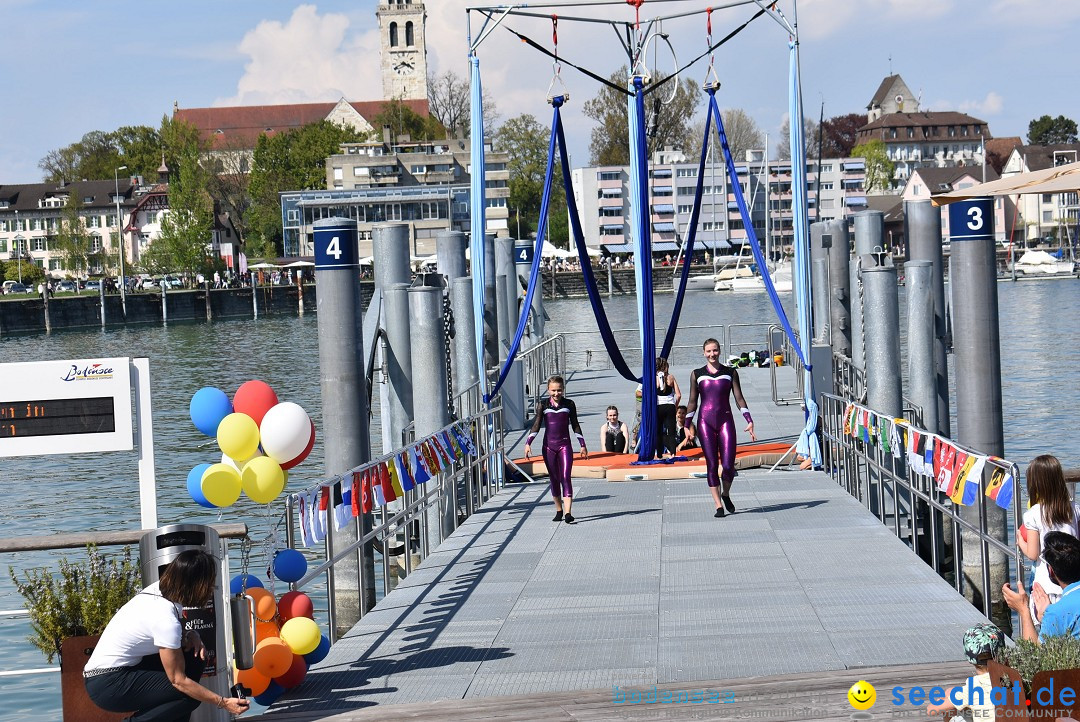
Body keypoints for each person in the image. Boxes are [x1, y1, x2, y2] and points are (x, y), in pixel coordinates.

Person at [84, 550, 250, 720]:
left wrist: (192, 634)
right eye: (208, 585)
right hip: (108, 685)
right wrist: (222, 702)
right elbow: (178, 680)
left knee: (193, 659)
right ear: (194, 585)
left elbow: (165, 632)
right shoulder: (165, 618)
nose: (211, 590)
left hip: (119, 673)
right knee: (189, 695)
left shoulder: (159, 591)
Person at [684, 338, 756, 517]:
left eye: (715, 350)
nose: (712, 354)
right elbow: (692, 402)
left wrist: (748, 418)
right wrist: (686, 425)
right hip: (705, 423)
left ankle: (725, 493)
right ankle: (718, 505)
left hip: (725, 421)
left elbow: (739, 398)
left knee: (728, 465)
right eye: (708, 351)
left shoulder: (730, 372)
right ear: (703, 353)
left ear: (719, 351)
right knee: (712, 465)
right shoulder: (697, 374)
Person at [1018, 454, 1080, 621]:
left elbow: (1032, 553)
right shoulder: (1074, 509)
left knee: (1046, 626)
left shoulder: (1034, 514)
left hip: (1046, 582)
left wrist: (1020, 541)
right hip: (1072, 581)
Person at [524, 375, 588, 524]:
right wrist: (528, 442)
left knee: (565, 477)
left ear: (563, 390)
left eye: (559, 390)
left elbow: (575, 425)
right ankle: (559, 510)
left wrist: (582, 444)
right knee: (554, 479)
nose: (556, 393)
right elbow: (536, 425)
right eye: (553, 390)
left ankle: (568, 513)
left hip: (565, 445)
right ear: (548, 390)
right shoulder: (543, 405)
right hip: (548, 447)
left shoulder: (569, 404)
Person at [1003, 531, 1080, 643]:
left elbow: (1035, 657)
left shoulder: (1057, 613)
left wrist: (1023, 609)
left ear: (1051, 570)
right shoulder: (1055, 613)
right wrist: (1046, 619)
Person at [926, 622, 1003, 720]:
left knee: (950, 703)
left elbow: (931, 710)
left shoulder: (973, 688)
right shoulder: (1012, 678)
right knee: (952, 692)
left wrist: (942, 699)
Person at [654, 357, 681, 458]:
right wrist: (676, 406)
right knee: (671, 432)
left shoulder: (654, 378)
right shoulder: (671, 377)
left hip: (658, 406)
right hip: (670, 406)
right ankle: (673, 453)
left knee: (658, 431)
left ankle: (659, 454)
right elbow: (678, 395)